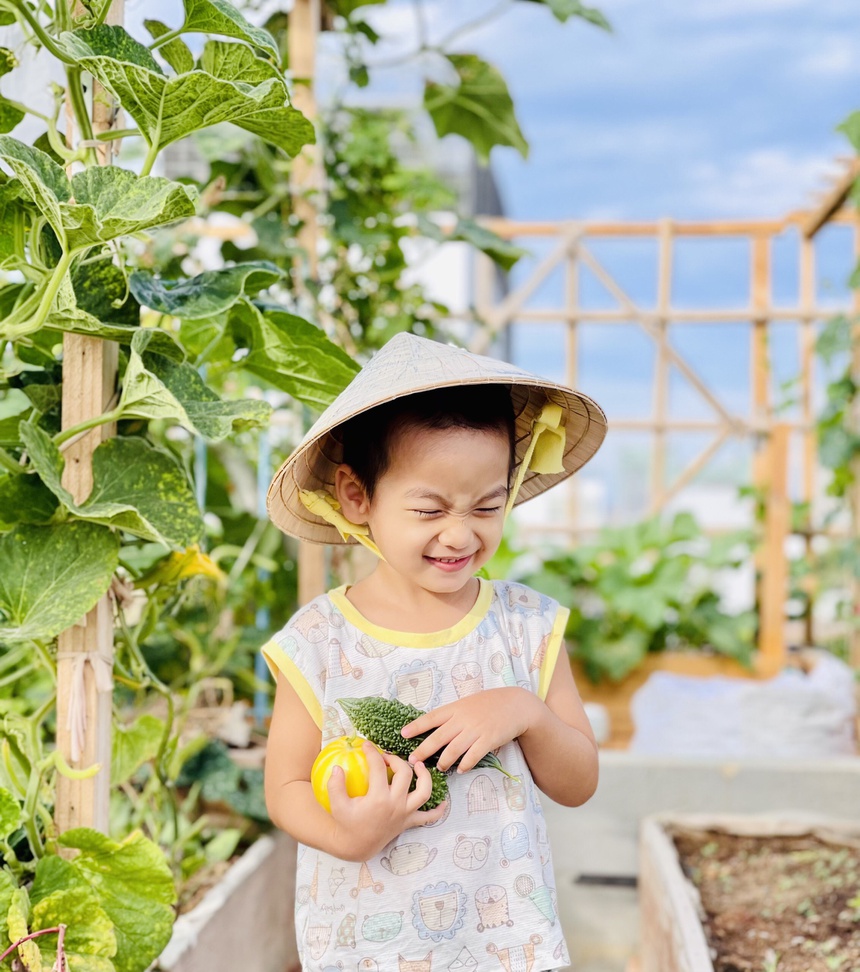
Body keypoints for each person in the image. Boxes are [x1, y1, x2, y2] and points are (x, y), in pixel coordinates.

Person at [262, 331, 607, 972]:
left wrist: (523, 711)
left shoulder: (526, 625)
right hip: (367, 946)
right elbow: (284, 787)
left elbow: (579, 782)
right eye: (429, 509)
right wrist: (347, 832)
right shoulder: (319, 640)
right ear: (356, 496)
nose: (460, 533)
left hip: (508, 945)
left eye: (487, 506)